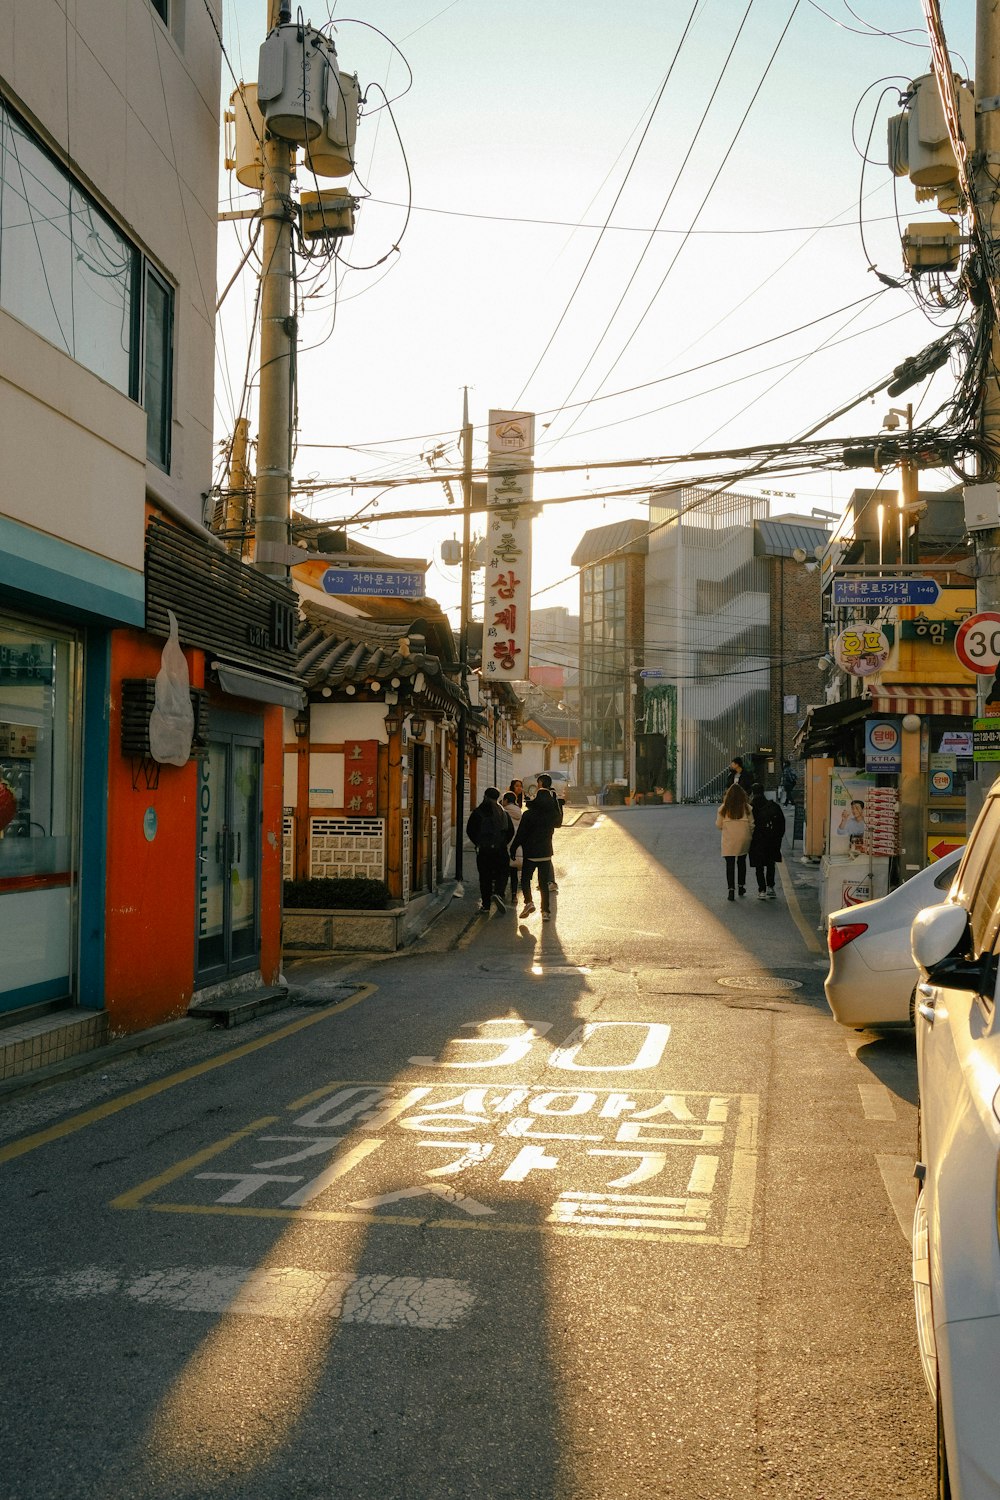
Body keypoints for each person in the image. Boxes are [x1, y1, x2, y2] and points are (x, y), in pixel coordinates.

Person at [510, 787, 560, 920]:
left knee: (525, 879)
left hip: (531, 853)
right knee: (543, 883)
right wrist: (556, 802)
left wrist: (513, 848)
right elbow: (559, 822)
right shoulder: (551, 815)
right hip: (546, 853)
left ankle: (529, 902)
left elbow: (520, 834)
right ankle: (545, 912)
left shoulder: (528, 814)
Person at [466, 786, 515, 914]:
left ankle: (486, 905)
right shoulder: (503, 813)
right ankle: (498, 893)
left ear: (485, 796)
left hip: (484, 850)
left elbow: (470, 830)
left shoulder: (478, 812)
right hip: (500, 850)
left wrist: (478, 843)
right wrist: (503, 843)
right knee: (502, 873)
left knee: (485, 877)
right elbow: (510, 831)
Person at [748, 782, 785, 900]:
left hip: (757, 840)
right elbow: (781, 825)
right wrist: (778, 838)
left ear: (753, 793)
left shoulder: (750, 807)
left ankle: (762, 890)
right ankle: (771, 887)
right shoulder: (773, 806)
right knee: (770, 863)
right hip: (771, 840)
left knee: (759, 866)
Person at [716, 782, 753, 901]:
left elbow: (718, 825)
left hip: (729, 839)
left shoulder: (723, 808)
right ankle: (741, 886)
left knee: (730, 864)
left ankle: (731, 890)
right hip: (743, 837)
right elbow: (752, 824)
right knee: (742, 862)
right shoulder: (747, 807)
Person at [534, 772, 564, 891]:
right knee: (545, 854)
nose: (537, 785)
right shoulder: (552, 794)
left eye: (538, 783)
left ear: (541, 783)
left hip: (544, 828)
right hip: (548, 828)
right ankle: (546, 881)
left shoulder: (547, 795)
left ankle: (550, 881)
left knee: (545, 855)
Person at [501, 790, 523, 904]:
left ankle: (501, 894)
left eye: (503, 800)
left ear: (506, 801)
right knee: (514, 872)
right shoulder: (520, 812)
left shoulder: (503, 813)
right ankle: (514, 895)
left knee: (504, 871)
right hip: (517, 845)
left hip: (506, 845)